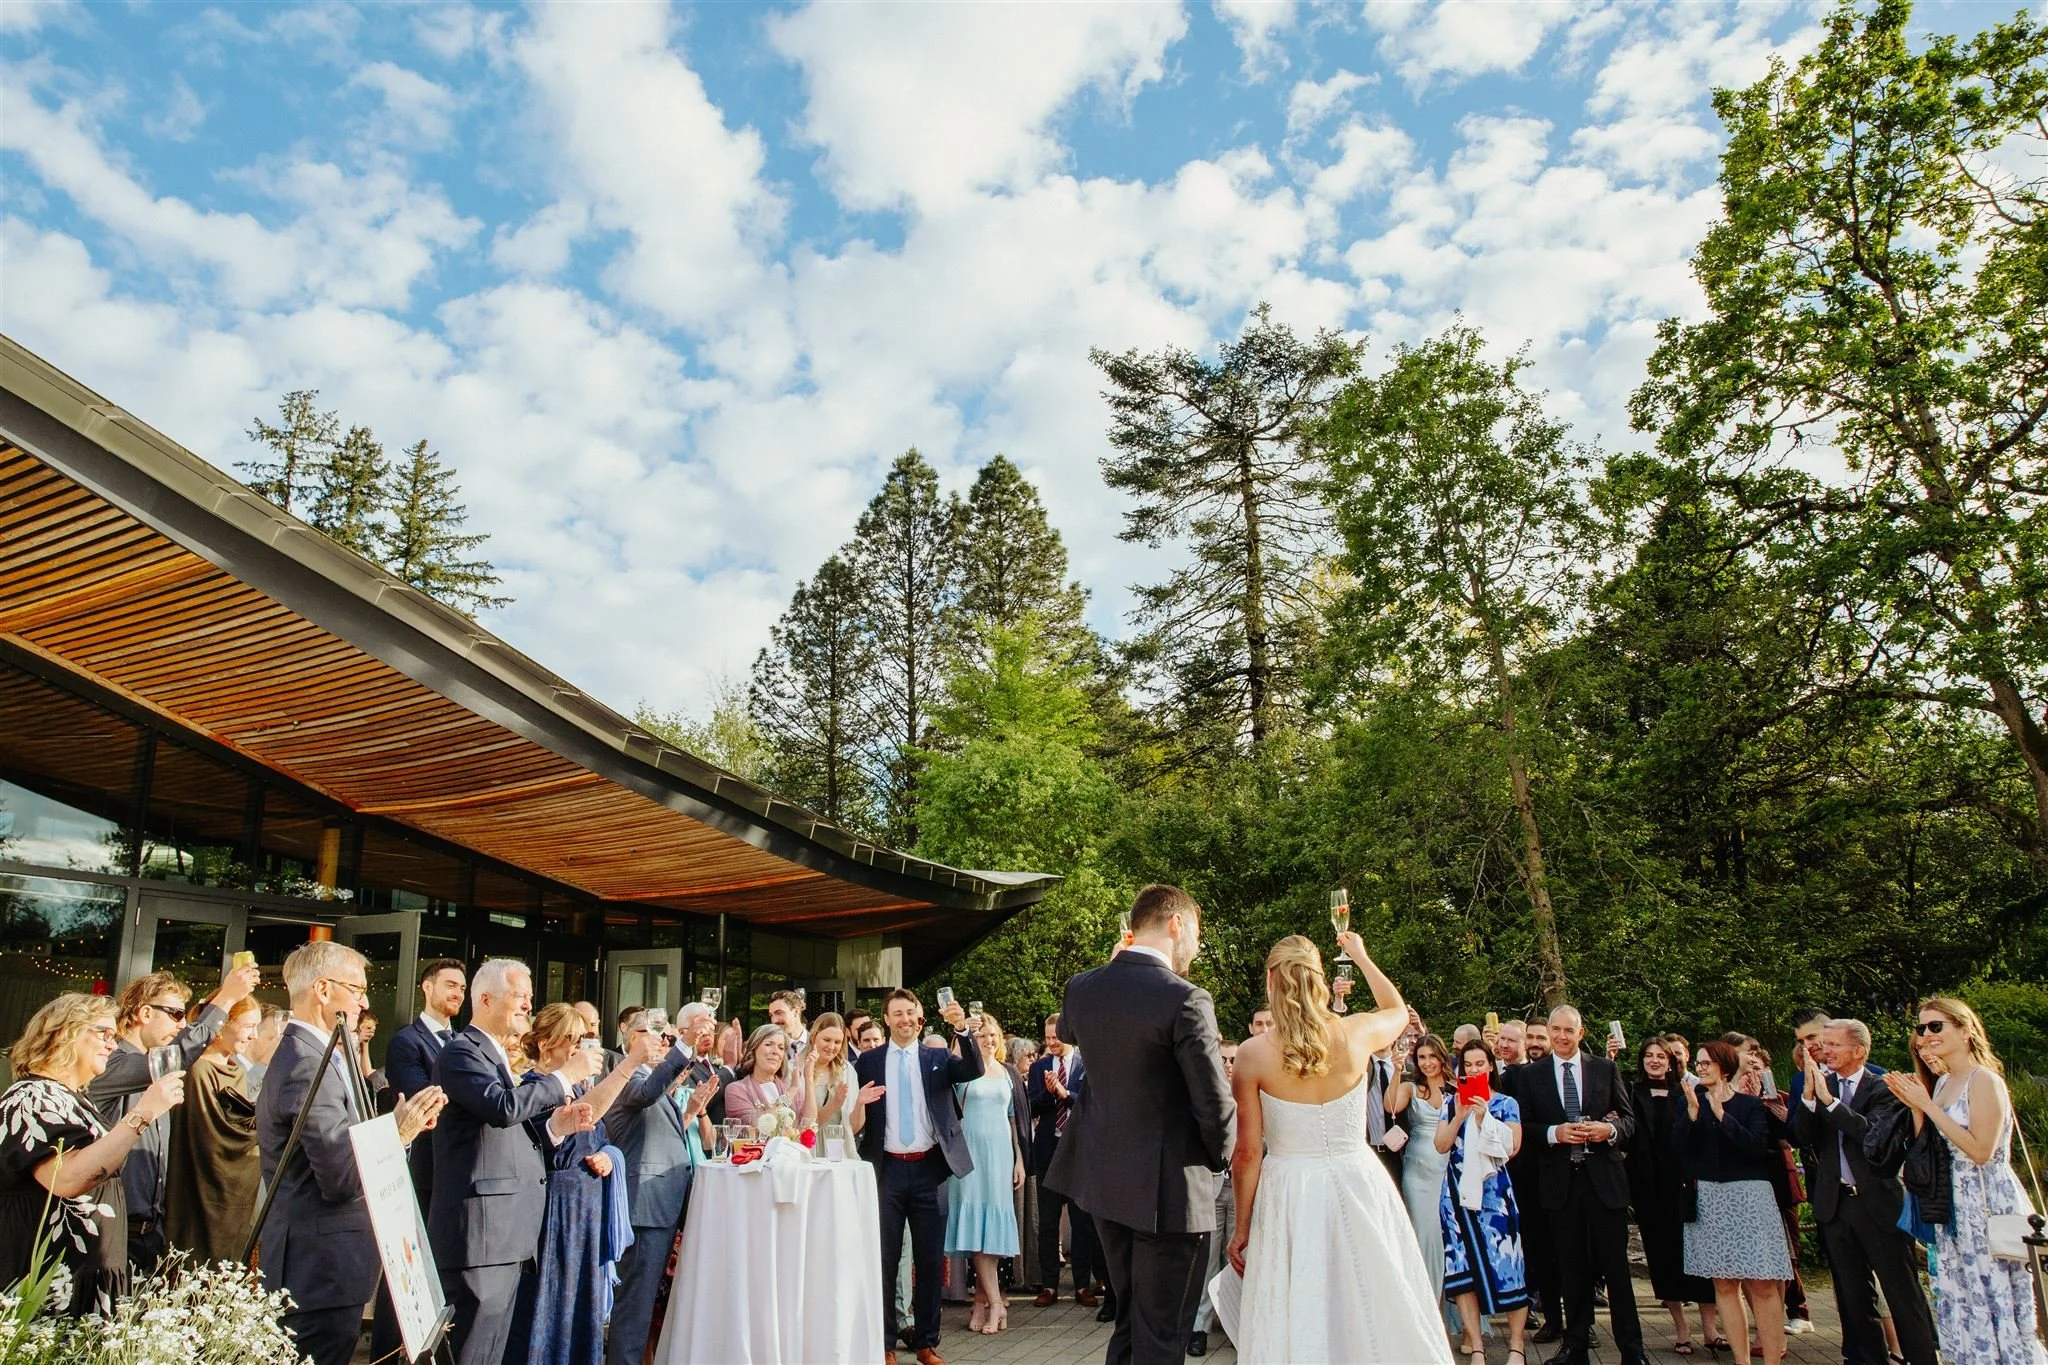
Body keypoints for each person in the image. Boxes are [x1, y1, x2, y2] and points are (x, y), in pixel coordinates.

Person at [1222, 932, 1448, 1364]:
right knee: (1372, 1299)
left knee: (1302, 1304)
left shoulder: (1252, 1055)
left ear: (1271, 980)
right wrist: (1362, 956)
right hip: (1358, 1179)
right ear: (1321, 978)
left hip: (1290, 1192)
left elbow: (1247, 1153)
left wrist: (1243, 1227)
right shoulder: (1356, 1032)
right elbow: (1398, 1012)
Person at [1047, 887, 1235, 1365]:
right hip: (1169, 1192)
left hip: (1104, 1186)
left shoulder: (1083, 987)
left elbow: (1068, 1031)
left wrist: (1112, 965)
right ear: (1175, 924)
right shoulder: (1186, 998)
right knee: (1162, 1336)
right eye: (1195, 931)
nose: (1196, 943)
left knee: (1131, 1323)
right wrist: (1221, 1159)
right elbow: (1213, 1103)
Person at [257, 941, 445, 1365]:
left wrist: (398, 1130)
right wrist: (398, 1133)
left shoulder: (321, 1054)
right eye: (356, 988)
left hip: (328, 1265)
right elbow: (339, 1175)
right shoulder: (306, 1062)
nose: (364, 1001)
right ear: (323, 989)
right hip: (317, 1269)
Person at [430, 958, 603, 1365]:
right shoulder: (461, 1052)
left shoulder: (495, 1057)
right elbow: (502, 1108)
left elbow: (505, 1135)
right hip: (481, 1235)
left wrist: (555, 1127)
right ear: (485, 999)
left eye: (529, 996)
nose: (528, 1005)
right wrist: (564, 1076)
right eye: (519, 996)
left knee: (492, 1351)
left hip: (507, 1233)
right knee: (470, 1351)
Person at [1, 993, 186, 1315]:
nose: (112, 1045)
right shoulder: (33, 1096)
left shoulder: (73, 1100)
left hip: (83, 1275)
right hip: (49, 1282)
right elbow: (69, 1178)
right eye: (103, 1033)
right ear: (63, 1032)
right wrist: (142, 1114)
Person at [1887, 996, 2046, 1365]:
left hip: (1986, 1200)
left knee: (1995, 1297)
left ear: (1965, 1029)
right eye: (1921, 1028)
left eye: (1936, 1026)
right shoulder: (1943, 1084)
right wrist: (1917, 1106)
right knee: (1960, 1297)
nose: (1926, 1034)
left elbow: (1981, 1151)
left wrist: (1926, 1106)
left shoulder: (1984, 1080)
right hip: (1951, 1203)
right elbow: (1931, 1146)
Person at [88, 960, 260, 1276]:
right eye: (176, 1015)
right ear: (144, 1013)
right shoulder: (113, 1065)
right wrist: (225, 999)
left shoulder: (154, 1073)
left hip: (150, 1230)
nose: (181, 1025)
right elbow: (177, 1057)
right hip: (112, 1228)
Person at [1793, 1018, 1939, 1365]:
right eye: (1822, 1044)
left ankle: (1922, 1358)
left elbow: (1873, 1138)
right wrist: (1811, 1100)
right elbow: (1801, 1137)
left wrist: (1831, 1104)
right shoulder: (1819, 1085)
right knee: (1853, 1298)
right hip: (1836, 1204)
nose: (1824, 1050)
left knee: (1903, 1294)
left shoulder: (1884, 1088)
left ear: (1858, 1050)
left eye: (1833, 1045)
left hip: (1878, 1203)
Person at [525, 1003, 662, 1365]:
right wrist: (630, 1063)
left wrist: (609, 1156)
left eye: (583, 1039)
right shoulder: (534, 1087)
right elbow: (582, 1117)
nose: (579, 1049)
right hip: (555, 1214)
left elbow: (599, 1136)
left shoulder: (582, 1085)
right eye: (570, 1040)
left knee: (583, 1308)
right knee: (553, 1306)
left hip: (588, 1212)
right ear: (544, 1044)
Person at [855, 986, 983, 1365]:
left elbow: (973, 1068)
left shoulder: (939, 1056)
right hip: (887, 1171)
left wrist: (962, 1030)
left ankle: (926, 1342)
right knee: (885, 1259)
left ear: (920, 1017)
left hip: (930, 1170)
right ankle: (885, 1344)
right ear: (887, 1019)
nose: (905, 1019)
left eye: (910, 1013)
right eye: (897, 1013)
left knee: (929, 1260)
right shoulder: (869, 1061)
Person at [1511, 1006, 1643, 1365]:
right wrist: (1555, 1133)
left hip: (1604, 1182)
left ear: (1580, 1033)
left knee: (1616, 1269)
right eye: (1555, 1029)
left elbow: (1630, 1121)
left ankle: (1632, 1350)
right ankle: (1575, 1346)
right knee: (1571, 1269)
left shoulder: (1605, 1068)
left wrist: (1609, 1131)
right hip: (1560, 1184)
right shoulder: (1531, 1075)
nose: (1561, 1037)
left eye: (1568, 1030)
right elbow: (1523, 1125)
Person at [604, 1005, 721, 1365]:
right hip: (646, 1209)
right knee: (635, 1308)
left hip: (668, 1203)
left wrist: (690, 1111)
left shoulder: (650, 1079)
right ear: (633, 1038)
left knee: (654, 1304)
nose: (664, 1042)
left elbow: (655, 1128)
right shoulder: (621, 1076)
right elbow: (646, 1093)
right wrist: (686, 1043)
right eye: (659, 1036)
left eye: (668, 1037)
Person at [1678, 1040, 1793, 1365]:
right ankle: (1741, 1361)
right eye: (1698, 1064)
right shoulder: (1691, 1102)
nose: (1699, 1069)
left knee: (1762, 1284)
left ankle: (1771, 1360)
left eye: (1705, 1063)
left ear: (1724, 1067)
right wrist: (1690, 1116)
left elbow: (1756, 1147)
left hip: (1750, 1198)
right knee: (1724, 1284)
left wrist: (1722, 1116)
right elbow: (1677, 1150)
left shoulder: (1749, 1105)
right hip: (1710, 1199)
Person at [1439, 1038, 1530, 1363]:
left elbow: (1513, 1147)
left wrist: (1484, 1118)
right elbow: (1440, 1145)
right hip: (1456, 1197)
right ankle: (1476, 1345)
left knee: (1508, 1266)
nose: (1474, 1069)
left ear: (1490, 1066)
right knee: (1462, 1271)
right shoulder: (1450, 1104)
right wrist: (1461, 1116)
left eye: (1480, 1064)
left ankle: (1516, 1346)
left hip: (1495, 1197)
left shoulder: (1506, 1103)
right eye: (1468, 1065)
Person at [1625, 1036, 1717, 1355]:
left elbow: (1702, 1136)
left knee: (1697, 1254)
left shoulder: (1688, 1091)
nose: (1654, 1060)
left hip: (1684, 1184)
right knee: (1662, 1258)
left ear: (1671, 1060)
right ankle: (1681, 1328)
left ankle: (1710, 1328)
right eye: (1648, 1055)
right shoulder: (1630, 1092)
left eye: (1660, 1056)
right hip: (1648, 1188)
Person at [946, 1011, 1027, 1335]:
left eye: (993, 1035)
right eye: (982, 1036)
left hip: (1000, 1156)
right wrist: (962, 1030)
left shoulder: (1007, 1074)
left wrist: (1019, 1159)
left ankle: (982, 1302)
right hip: (970, 1156)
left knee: (990, 1236)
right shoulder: (965, 1071)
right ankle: (994, 1303)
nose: (989, 1040)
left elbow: (1012, 1120)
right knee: (977, 1236)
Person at [164, 994, 261, 1262]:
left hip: (238, 1204)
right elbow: (211, 1137)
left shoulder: (236, 1071)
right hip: (200, 1198)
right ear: (221, 1025)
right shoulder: (198, 1071)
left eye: (257, 1027)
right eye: (247, 1026)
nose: (254, 1036)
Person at [1028, 1012, 1104, 1310]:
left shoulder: (1088, 1064)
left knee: (1082, 1222)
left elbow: (1093, 1103)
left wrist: (1065, 1094)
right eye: (1047, 1039)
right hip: (1049, 1150)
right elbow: (1032, 1104)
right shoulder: (1039, 1067)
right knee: (1047, 1223)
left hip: (1080, 1152)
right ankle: (1049, 1284)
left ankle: (1083, 1284)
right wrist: (1049, 1095)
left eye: (1056, 1038)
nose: (1052, 1043)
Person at [385, 957, 466, 1206]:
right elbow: (423, 1099)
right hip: (427, 1169)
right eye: (450, 985)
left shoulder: (465, 1042)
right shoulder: (406, 1042)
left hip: (463, 1167)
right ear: (427, 987)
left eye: (462, 988)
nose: (458, 994)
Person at [1388, 1032, 1455, 1318]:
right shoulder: (1411, 1088)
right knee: (1425, 1237)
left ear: (1442, 1057)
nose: (1427, 1063)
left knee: (1451, 1238)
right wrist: (1396, 1069)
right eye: (1422, 1057)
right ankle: (1428, 1312)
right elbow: (1389, 1107)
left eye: (1432, 1057)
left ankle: (1456, 1316)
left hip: (1450, 1171)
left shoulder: (1455, 1088)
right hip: (1418, 1173)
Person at [1185, 1038, 1238, 1358]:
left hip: (1244, 1188)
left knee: (1238, 1259)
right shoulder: (1204, 1097)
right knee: (1206, 1258)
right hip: (1212, 1186)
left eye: (1233, 1059)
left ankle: (1235, 1323)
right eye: (1223, 1060)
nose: (1229, 1065)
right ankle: (1200, 1326)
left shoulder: (1254, 1090)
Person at [797, 1012, 880, 1137]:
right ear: (813, 1037)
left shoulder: (846, 1070)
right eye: (826, 1040)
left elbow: (852, 1128)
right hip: (806, 1146)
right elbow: (800, 1126)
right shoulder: (796, 1068)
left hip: (837, 1146)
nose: (831, 1047)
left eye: (837, 1042)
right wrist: (834, 1104)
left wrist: (860, 1103)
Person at [723, 1025, 801, 1130]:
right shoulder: (736, 1090)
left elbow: (809, 1124)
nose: (775, 1051)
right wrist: (790, 1094)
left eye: (781, 1048)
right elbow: (760, 1124)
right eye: (769, 1044)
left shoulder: (790, 1089)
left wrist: (809, 1079)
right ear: (753, 1050)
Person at [242, 1004, 288, 1098]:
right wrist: (265, 1062)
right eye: (273, 1038)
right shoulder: (230, 1066)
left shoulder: (276, 1073)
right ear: (253, 1035)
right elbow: (243, 1098)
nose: (280, 1045)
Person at [768, 989, 809, 1055]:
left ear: (796, 1012)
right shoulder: (769, 1047)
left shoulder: (816, 1044)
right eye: (771, 1015)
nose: (774, 1020)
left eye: (779, 1013)